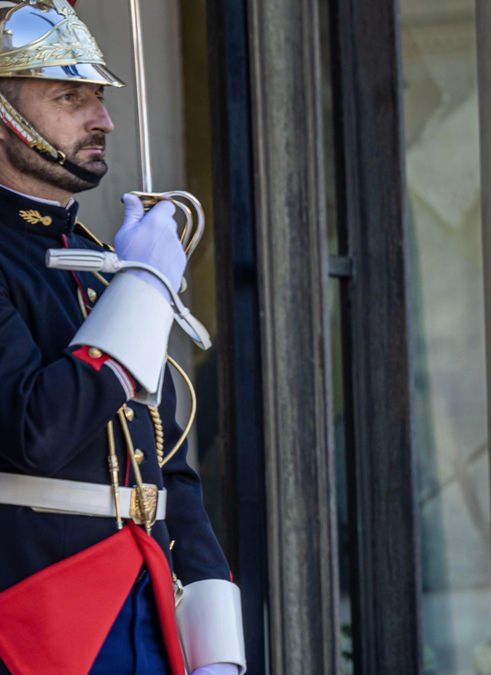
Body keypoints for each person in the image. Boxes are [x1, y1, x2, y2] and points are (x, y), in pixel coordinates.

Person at [0, 3, 244, 674]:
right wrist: (142, 291)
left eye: (98, 98)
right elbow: (37, 430)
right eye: (68, 97)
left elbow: (166, 470)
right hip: (35, 618)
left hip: (147, 611)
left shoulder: (103, 255)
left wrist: (216, 649)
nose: (101, 118)